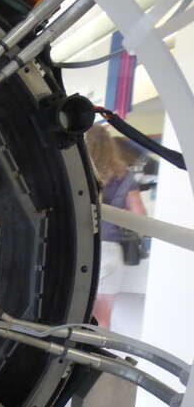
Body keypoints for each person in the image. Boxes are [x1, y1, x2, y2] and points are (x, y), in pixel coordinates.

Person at [85, 124, 147, 329]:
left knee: (76, 311)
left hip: (82, 247)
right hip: (110, 252)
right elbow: (140, 219)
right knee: (103, 317)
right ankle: (95, 358)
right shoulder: (124, 177)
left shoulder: (80, 176)